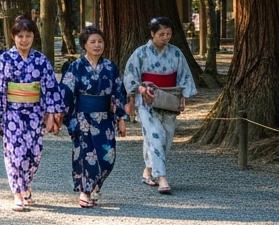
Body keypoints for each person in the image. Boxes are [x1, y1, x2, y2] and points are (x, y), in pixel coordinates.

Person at [0, 17, 65, 211]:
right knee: (15, 153)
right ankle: (18, 193)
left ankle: (26, 184)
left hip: (35, 112)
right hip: (12, 113)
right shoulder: (5, 59)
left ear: (34, 36)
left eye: (28, 36)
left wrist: (51, 112)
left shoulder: (40, 60)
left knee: (34, 153)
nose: (24, 40)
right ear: (13, 37)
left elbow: (50, 87)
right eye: (20, 36)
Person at [123, 16, 197, 196]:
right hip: (148, 101)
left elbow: (184, 76)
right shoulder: (140, 53)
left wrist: (183, 96)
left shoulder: (176, 53)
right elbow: (130, 76)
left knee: (165, 139)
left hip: (169, 99)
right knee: (155, 135)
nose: (166, 37)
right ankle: (162, 177)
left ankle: (148, 171)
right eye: (161, 34)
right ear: (152, 34)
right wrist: (140, 88)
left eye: (168, 34)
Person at [60, 26, 128, 208]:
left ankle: (96, 185)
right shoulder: (75, 67)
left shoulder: (110, 67)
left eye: (100, 41)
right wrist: (64, 116)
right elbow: (66, 93)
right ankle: (85, 191)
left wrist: (121, 118)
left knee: (108, 157)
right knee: (86, 155)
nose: (97, 45)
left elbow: (118, 93)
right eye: (93, 42)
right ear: (84, 45)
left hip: (105, 118)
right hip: (83, 118)